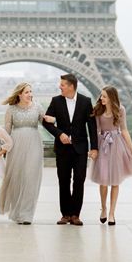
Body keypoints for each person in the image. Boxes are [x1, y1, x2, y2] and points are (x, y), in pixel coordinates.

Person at [42, 73, 98, 225]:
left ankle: (75, 214)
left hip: (80, 148)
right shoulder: (56, 101)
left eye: (63, 84)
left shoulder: (86, 101)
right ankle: (65, 214)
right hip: (62, 148)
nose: (60, 87)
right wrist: (59, 134)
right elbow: (45, 122)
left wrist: (94, 147)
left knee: (79, 180)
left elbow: (92, 126)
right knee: (64, 181)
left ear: (71, 86)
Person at [0, 82, 51, 224]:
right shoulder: (11, 109)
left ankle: (27, 214)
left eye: (31, 92)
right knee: (17, 177)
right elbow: (7, 130)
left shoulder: (38, 107)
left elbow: (46, 123)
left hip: (34, 144)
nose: (30, 95)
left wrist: (53, 120)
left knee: (30, 177)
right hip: (16, 145)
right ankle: (16, 212)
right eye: (27, 92)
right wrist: (1, 148)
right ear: (19, 94)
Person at [89, 85, 132, 225]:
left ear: (111, 98)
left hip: (117, 145)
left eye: (104, 96)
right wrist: (93, 149)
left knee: (115, 181)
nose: (101, 98)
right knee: (103, 180)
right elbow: (96, 131)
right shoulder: (98, 110)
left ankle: (112, 213)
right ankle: (104, 208)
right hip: (102, 144)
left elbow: (124, 130)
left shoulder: (120, 110)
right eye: (101, 96)